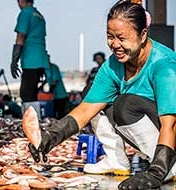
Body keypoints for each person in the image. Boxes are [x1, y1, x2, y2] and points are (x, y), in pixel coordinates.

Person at [28, 1, 176, 189]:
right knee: (96, 98)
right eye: (110, 37)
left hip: (170, 138)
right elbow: (85, 110)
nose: (115, 45)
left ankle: (168, 166)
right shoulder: (112, 66)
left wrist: (156, 172)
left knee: (125, 104)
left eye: (122, 38)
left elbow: (170, 125)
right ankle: (115, 160)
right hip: (155, 135)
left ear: (143, 35)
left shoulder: (164, 66)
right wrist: (50, 137)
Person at [10, 0, 49, 104]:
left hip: (31, 59)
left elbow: (21, 36)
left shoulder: (25, 13)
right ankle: (35, 118)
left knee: (26, 94)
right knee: (32, 94)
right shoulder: (39, 16)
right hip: (41, 60)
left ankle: (31, 119)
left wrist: (14, 60)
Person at [45, 55, 70, 119]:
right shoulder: (46, 69)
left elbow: (55, 81)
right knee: (54, 115)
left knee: (61, 114)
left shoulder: (54, 68)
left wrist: (50, 91)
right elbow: (47, 80)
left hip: (61, 96)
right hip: (54, 97)